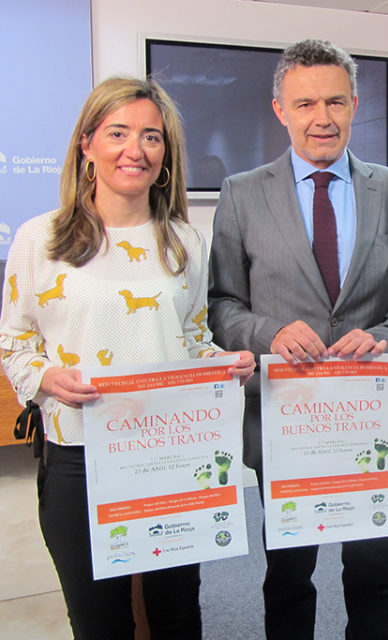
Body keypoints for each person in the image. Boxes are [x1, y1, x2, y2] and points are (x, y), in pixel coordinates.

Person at [0, 77, 255, 640]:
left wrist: (225, 362)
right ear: (87, 145)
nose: (135, 149)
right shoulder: (39, 239)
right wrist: (47, 378)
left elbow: (192, 338)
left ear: (165, 156)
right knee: (100, 622)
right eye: (118, 133)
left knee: (177, 616)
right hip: (78, 457)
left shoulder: (184, 241)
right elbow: (15, 344)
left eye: (151, 137)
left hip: (171, 455)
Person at [207, 39, 388, 640]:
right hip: (287, 421)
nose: (322, 117)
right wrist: (269, 332)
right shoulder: (242, 193)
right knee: (289, 574)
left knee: (373, 572)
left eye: (335, 101)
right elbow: (222, 305)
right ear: (280, 110)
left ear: (354, 104)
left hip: (368, 421)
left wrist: (385, 337)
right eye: (305, 103)